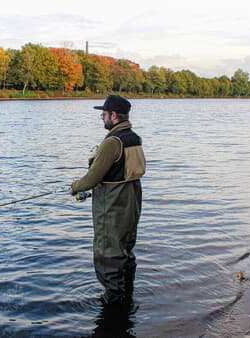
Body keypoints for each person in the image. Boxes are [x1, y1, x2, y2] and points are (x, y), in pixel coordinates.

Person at [69, 94, 146, 305]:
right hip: (132, 202)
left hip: (112, 206)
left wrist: (75, 187)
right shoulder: (134, 138)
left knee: (107, 252)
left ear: (114, 116)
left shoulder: (113, 142)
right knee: (125, 249)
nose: (102, 118)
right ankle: (126, 295)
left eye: (104, 114)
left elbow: (93, 178)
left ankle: (113, 303)